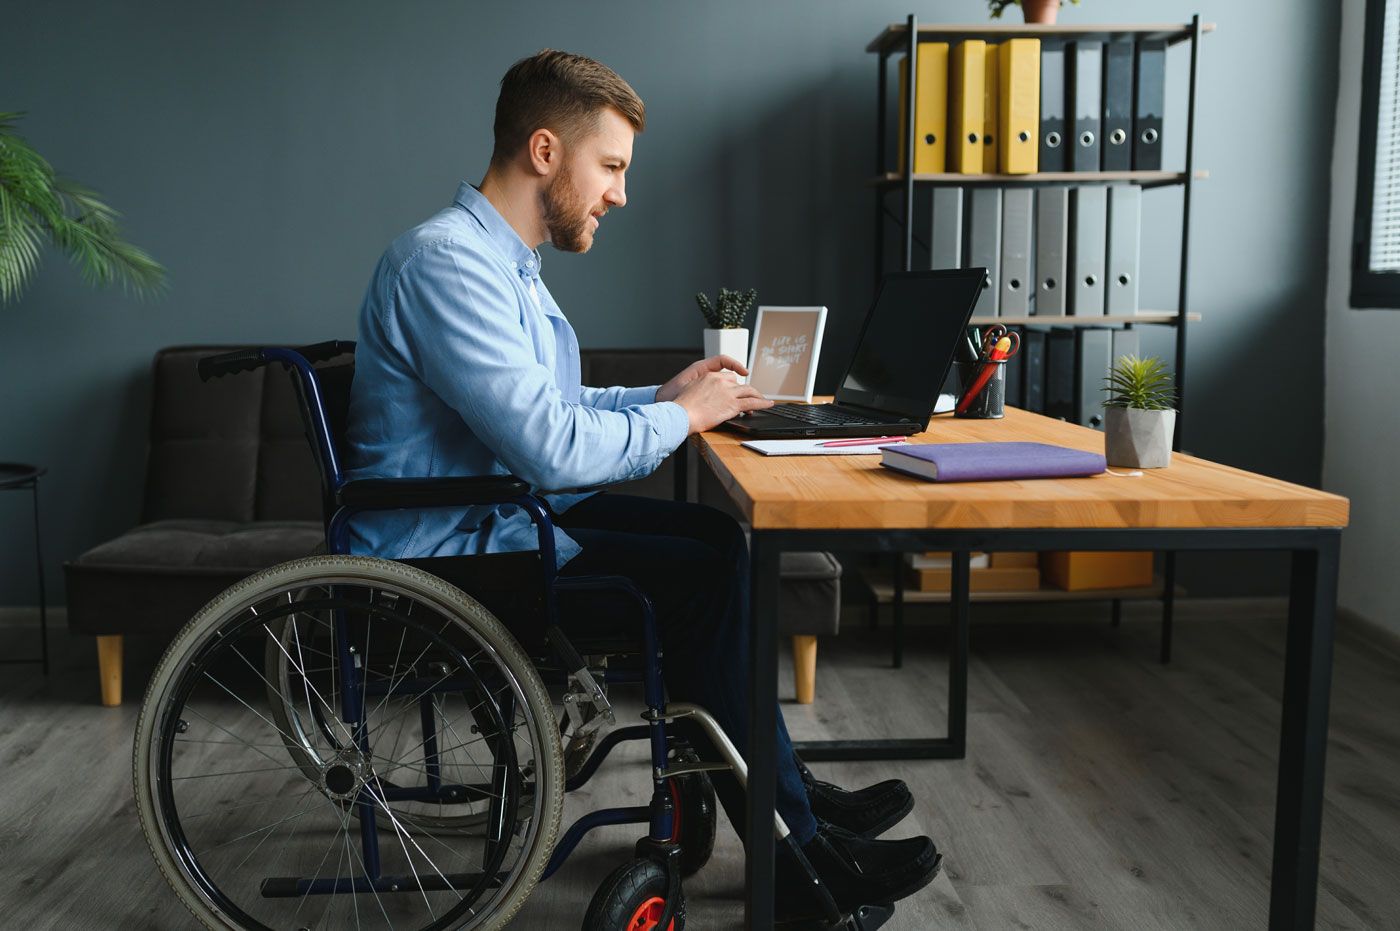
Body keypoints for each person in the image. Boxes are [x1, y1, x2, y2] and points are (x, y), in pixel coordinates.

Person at [343, 48, 942, 915]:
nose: (620, 192)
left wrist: (665, 397)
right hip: (447, 557)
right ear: (546, 152)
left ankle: (788, 798)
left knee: (714, 542)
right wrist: (683, 419)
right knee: (706, 571)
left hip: (494, 527)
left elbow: (550, 402)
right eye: (612, 166)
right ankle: (800, 855)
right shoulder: (446, 265)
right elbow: (549, 446)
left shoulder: (500, 262)